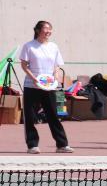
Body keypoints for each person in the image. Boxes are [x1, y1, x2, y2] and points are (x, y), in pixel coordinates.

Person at [19, 20, 74, 154]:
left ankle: (62, 145)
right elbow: (24, 65)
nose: (49, 31)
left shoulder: (54, 47)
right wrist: (34, 79)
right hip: (32, 86)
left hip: (49, 86)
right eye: (46, 29)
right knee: (30, 116)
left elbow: (57, 65)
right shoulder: (29, 46)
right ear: (38, 30)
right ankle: (32, 145)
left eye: (50, 29)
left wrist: (55, 75)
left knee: (53, 115)